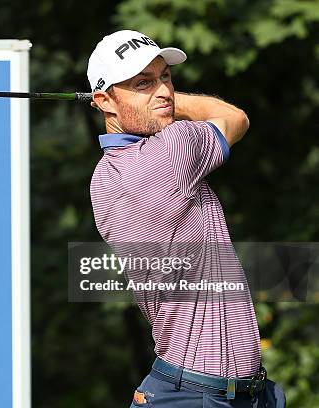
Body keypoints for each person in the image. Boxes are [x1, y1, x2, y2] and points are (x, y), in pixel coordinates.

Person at [87, 30, 287, 407]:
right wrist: (169, 106)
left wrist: (138, 102)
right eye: (143, 83)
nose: (164, 91)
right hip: (194, 397)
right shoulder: (173, 151)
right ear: (103, 101)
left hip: (231, 393)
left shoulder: (104, 177)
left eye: (166, 77)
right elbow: (234, 117)